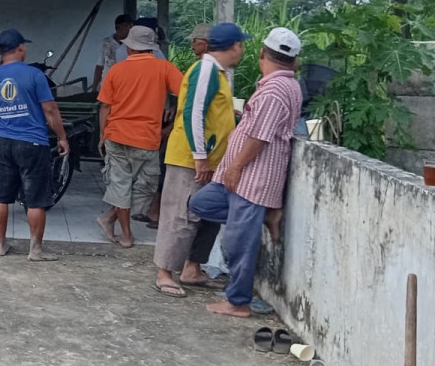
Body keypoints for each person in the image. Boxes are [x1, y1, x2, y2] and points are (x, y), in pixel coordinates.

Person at [188, 28, 303, 318]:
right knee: (202, 203)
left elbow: (260, 137)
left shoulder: (276, 90)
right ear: (295, 62)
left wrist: (236, 165)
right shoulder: (276, 86)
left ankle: (238, 301)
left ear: (263, 54)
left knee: (239, 241)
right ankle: (264, 215)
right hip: (243, 175)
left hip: (252, 176)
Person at [151, 22, 249, 297]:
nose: (241, 51)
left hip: (210, 158)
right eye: (240, 45)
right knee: (181, 215)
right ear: (231, 46)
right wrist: (200, 157)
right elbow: (194, 112)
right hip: (191, 158)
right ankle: (164, 272)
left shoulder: (217, 73)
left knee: (207, 216)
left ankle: (192, 267)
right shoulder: (206, 70)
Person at [0, 29, 70, 261]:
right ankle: (35, 250)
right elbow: (50, 110)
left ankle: (0, 245)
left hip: (4, 142)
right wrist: (62, 137)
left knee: (0, 196)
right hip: (33, 142)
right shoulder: (34, 75)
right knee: (36, 198)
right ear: (20, 48)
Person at [96, 24, 183, 247]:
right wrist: (172, 120)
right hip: (147, 139)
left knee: (121, 187)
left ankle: (113, 221)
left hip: (116, 135)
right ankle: (125, 233)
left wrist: (102, 135)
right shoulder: (165, 68)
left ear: (129, 49)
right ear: (152, 48)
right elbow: (188, 94)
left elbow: (105, 107)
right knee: (145, 187)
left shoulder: (116, 70)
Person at [92, 14, 134, 91]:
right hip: (108, 86)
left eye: (131, 26)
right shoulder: (106, 43)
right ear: (118, 27)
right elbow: (99, 66)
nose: (130, 29)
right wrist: (94, 87)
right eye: (127, 26)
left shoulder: (134, 45)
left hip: (126, 87)